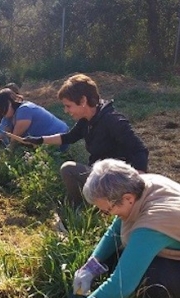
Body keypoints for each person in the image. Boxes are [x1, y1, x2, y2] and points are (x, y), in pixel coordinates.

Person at [56, 158, 180, 298]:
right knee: (116, 256)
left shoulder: (153, 222)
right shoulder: (141, 184)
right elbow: (116, 228)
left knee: (151, 278)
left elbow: (121, 284)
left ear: (127, 198)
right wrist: (92, 265)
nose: (105, 215)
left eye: (107, 210)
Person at [22, 74, 149, 207]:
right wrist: (39, 140)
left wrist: (138, 185)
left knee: (68, 169)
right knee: (71, 170)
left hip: (114, 181)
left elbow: (140, 150)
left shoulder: (113, 121)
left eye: (68, 106)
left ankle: (79, 209)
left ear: (83, 101)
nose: (65, 111)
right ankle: (86, 206)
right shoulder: (86, 120)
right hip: (99, 175)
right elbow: (69, 137)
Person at [0, 88, 69, 151]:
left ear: (9, 103)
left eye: (1, 108)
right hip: (43, 143)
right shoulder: (8, 116)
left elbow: (14, 140)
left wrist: (5, 156)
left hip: (59, 140)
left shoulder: (25, 110)